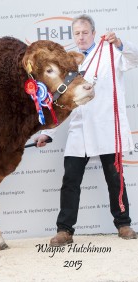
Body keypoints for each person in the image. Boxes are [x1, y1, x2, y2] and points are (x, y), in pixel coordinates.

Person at [36, 14, 138, 246]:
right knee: (70, 180)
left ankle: (123, 224)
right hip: (79, 129)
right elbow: (61, 103)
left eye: (85, 32)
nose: (81, 37)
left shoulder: (111, 52)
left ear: (93, 32)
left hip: (106, 126)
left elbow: (135, 58)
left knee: (115, 179)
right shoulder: (69, 63)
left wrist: (120, 44)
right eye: (77, 34)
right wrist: (47, 133)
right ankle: (65, 230)